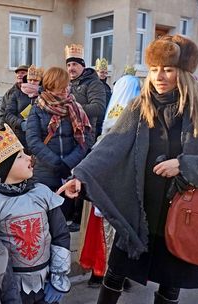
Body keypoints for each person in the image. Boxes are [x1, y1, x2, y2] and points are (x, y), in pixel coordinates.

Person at [57, 35, 198, 304]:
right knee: (116, 272)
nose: (159, 76)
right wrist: (80, 176)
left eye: (167, 69)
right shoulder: (140, 105)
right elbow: (111, 145)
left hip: (181, 212)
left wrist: (184, 165)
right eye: (154, 69)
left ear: (183, 72)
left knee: (170, 283)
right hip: (138, 210)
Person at [0, 125, 71, 304]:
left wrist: (58, 277)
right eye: (20, 156)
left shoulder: (42, 194)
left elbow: (60, 235)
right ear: (4, 168)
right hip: (12, 289)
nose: (29, 158)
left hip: (46, 280)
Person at [78, 73, 142, 289]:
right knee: (115, 228)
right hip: (118, 182)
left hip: (109, 180)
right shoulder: (132, 114)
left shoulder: (121, 114)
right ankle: (111, 272)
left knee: (109, 228)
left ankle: (104, 271)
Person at [26, 67, 92, 225]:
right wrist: (56, 163)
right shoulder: (38, 108)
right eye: (60, 86)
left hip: (68, 173)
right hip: (44, 174)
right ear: (49, 86)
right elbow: (33, 140)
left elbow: (86, 138)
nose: (65, 90)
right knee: (43, 221)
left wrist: (68, 163)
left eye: (66, 85)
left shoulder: (75, 107)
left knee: (63, 221)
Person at [65, 44, 107, 145]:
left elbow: (99, 107)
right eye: (68, 65)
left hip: (84, 136)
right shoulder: (66, 82)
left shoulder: (93, 83)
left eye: (75, 64)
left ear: (83, 66)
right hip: (67, 135)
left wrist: (72, 109)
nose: (71, 68)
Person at [5, 64, 43, 149]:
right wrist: (21, 124)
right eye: (30, 80)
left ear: (40, 81)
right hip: (21, 136)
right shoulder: (17, 94)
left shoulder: (45, 95)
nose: (32, 82)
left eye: (35, 80)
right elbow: (8, 114)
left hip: (40, 135)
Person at [94, 58, 112, 138]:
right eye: (101, 72)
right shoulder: (93, 85)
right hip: (96, 119)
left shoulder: (107, 87)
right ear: (96, 72)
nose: (103, 74)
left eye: (105, 72)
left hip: (104, 118)